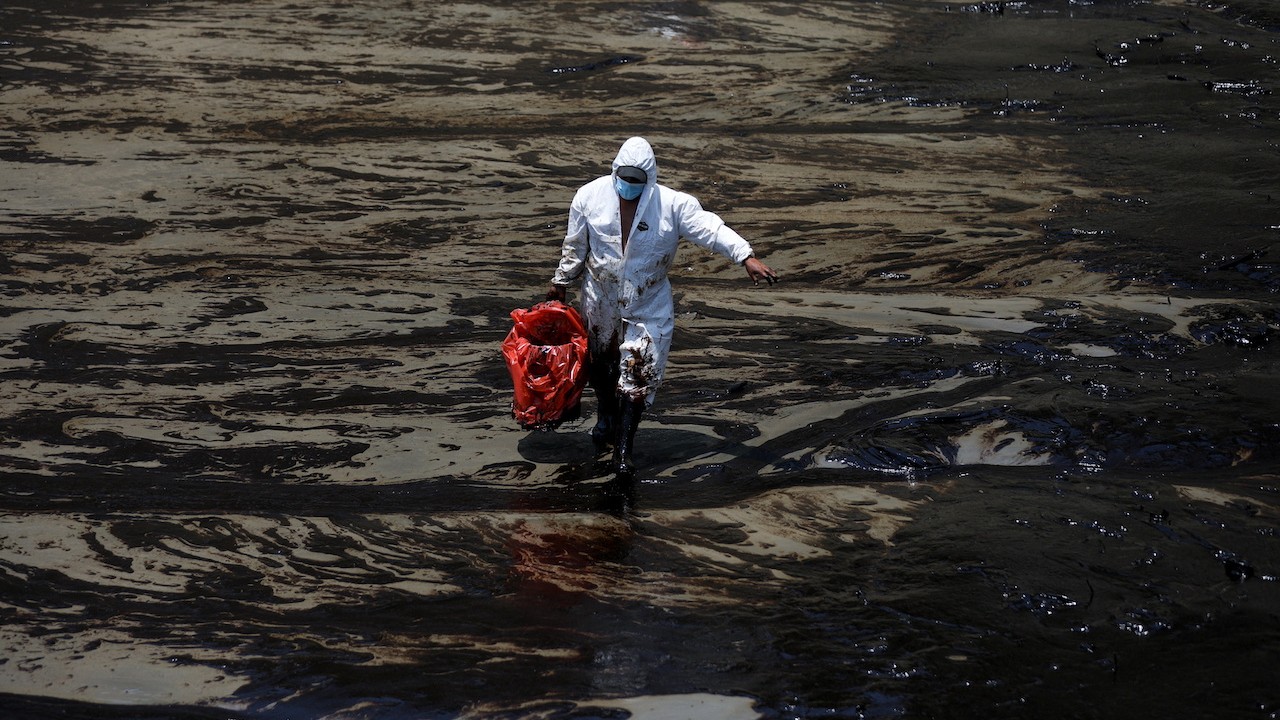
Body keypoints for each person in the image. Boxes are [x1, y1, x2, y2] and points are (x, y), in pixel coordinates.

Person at [546, 136, 778, 483]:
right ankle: (606, 418)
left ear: (649, 179)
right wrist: (561, 281)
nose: (628, 186)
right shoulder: (590, 196)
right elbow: (576, 244)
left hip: (648, 301)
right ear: (614, 172)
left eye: (636, 181)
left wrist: (745, 255)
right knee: (603, 365)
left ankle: (624, 451)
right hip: (600, 296)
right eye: (623, 178)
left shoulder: (672, 205)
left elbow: (710, 229)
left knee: (639, 373)